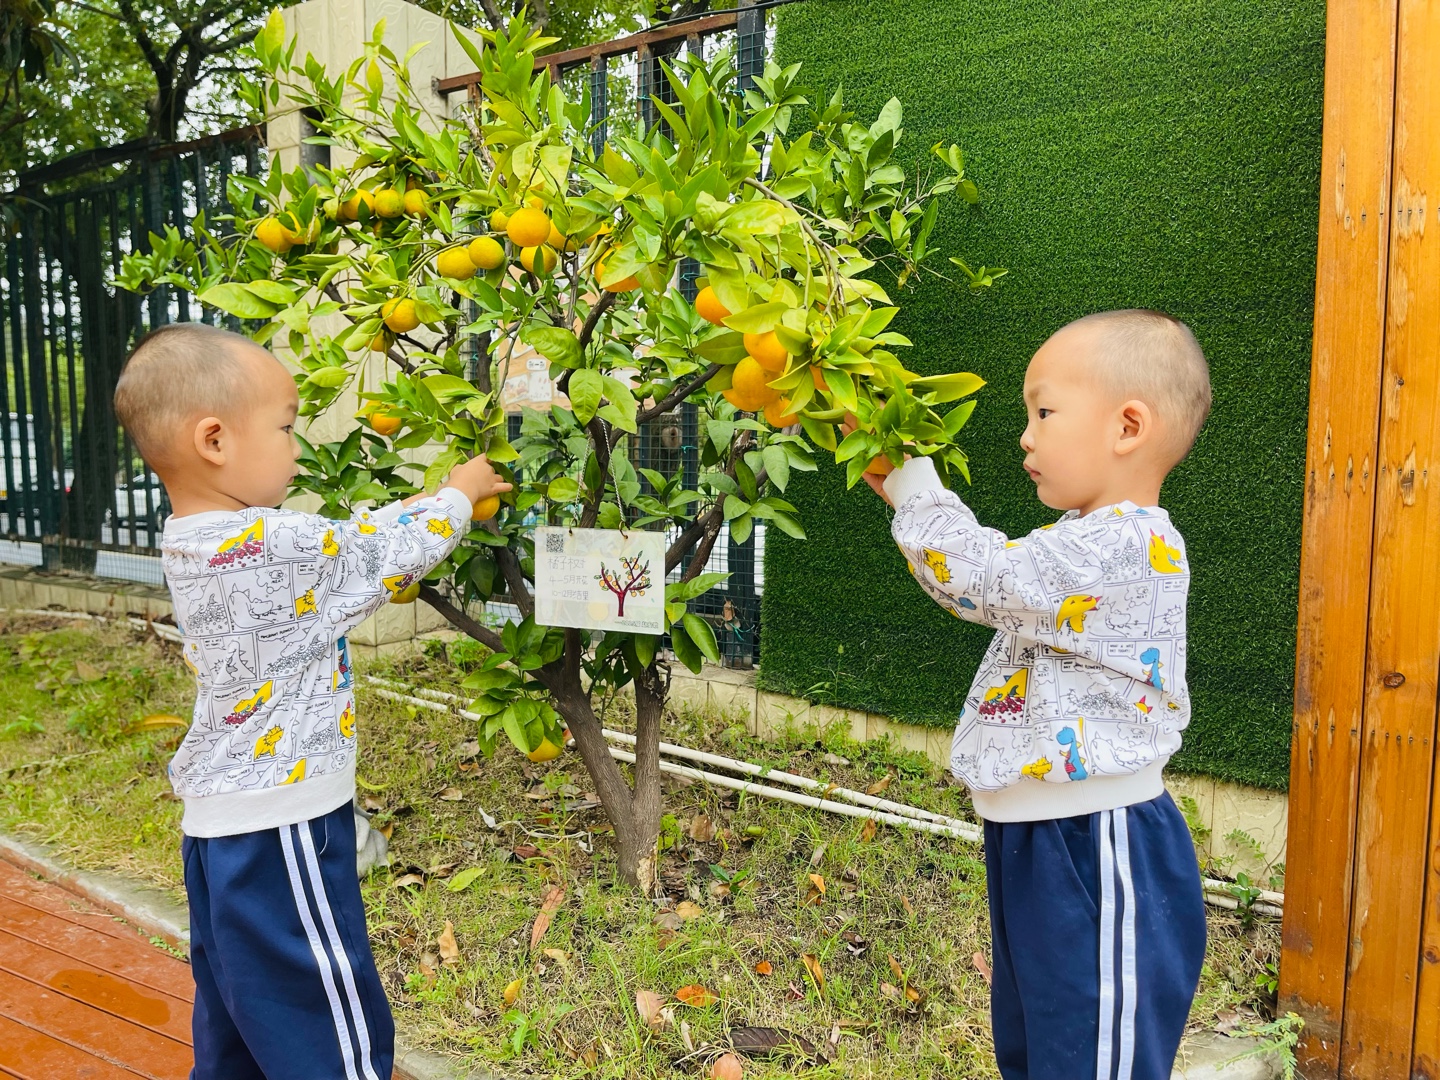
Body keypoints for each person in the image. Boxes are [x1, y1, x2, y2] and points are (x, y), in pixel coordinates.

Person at [113, 322, 511, 1080]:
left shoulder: (193, 539)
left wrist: (421, 503)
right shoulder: (270, 545)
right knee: (328, 1028)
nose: (297, 449)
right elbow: (378, 554)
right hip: (282, 826)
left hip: (220, 830)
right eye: (287, 428)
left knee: (241, 1025)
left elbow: (340, 541)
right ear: (215, 440)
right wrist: (458, 496)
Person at [857, 310, 1212, 1080]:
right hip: (1038, 837)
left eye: (1044, 412)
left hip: (1098, 842)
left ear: (1127, 427)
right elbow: (995, 578)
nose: (1026, 436)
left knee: (1091, 1061)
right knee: (1037, 1049)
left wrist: (916, 488)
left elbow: (988, 578)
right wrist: (907, 495)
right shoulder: (1080, 542)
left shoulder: (1132, 544)